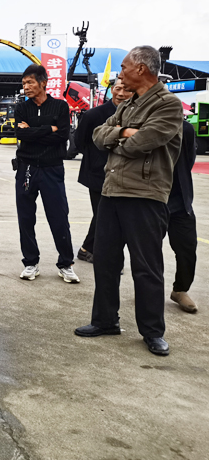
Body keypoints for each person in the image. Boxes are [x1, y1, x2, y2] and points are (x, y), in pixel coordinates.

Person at [75, 46, 183, 357]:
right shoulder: (129, 104)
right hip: (112, 191)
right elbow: (98, 135)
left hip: (145, 195)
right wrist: (123, 131)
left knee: (146, 266)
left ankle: (152, 331)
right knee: (105, 261)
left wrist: (118, 139)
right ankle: (105, 320)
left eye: (124, 67)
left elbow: (142, 144)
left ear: (141, 69)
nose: (120, 73)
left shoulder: (168, 105)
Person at [13, 64, 78, 284]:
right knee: (25, 217)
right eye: (24, 83)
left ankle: (66, 264)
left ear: (43, 83)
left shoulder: (60, 106)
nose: (26, 87)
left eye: (30, 82)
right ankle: (30, 262)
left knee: (59, 216)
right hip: (26, 168)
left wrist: (33, 130)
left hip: (52, 168)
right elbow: (21, 135)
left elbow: (62, 136)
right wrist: (49, 128)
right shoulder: (22, 108)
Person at [74, 78, 131, 263]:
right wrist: (97, 158)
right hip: (98, 173)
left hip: (124, 174)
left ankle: (87, 248)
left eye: (126, 89)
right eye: (117, 88)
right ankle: (102, 255)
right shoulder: (94, 115)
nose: (121, 93)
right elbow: (80, 142)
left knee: (109, 216)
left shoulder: (135, 115)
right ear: (111, 90)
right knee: (103, 215)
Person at [167, 120, 198, 313]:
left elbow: (189, 159)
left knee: (187, 247)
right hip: (151, 198)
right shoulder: (144, 123)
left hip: (179, 199)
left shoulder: (185, 128)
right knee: (148, 251)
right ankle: (148, 290)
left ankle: (180, 289)